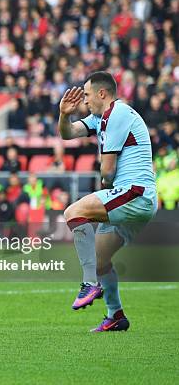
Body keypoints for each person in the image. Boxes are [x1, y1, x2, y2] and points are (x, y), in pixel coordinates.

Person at [58, 72, 157, 332]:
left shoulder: (117, 113)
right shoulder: (100, 117)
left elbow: (107, 171)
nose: (85, 101)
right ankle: (116, 316)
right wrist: (64, 115)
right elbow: (68, 134)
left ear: (102, 94)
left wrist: (103, 189)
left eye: (88, 96)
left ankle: (89, 284)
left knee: (72, 213)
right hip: (139, 198)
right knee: (100, 259)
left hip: (134, 192)